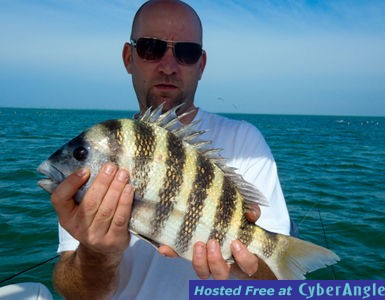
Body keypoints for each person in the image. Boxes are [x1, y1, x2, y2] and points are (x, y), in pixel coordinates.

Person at [50, 0, 291, 299]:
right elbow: (75, 293)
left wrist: (240, 269)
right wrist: (97, 253)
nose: (168, 66)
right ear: (129, 57)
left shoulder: (245, 140)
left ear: (201, 65)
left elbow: (281, 285)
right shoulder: (104, 154)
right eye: (151, 48)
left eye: (186, 53)